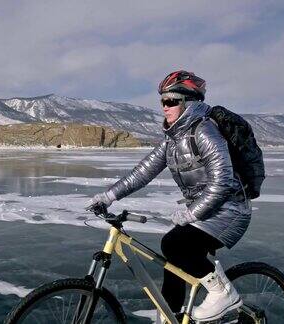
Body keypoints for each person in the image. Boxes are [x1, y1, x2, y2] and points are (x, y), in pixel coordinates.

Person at [88, 70, 251, 322]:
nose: (165, 107)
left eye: (171, 101)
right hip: (205, 209)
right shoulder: (172, 140)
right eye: (162, 101)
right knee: (173, 260)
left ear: (189, 103)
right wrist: (109, 196)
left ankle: (223, 292)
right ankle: (170, 316)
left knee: (175, 244)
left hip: (230, 210)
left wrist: (190, 213)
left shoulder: (205, 132)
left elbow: (223, 182)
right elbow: (142, 172)